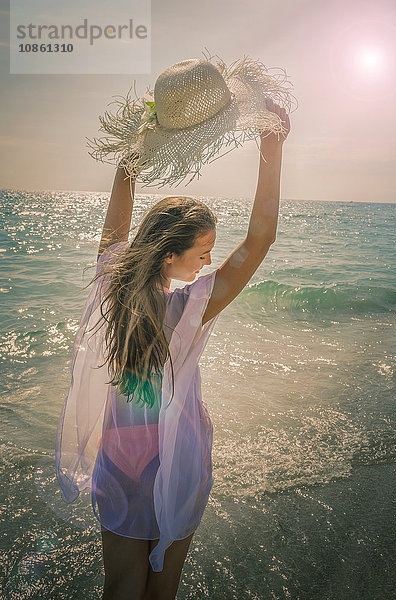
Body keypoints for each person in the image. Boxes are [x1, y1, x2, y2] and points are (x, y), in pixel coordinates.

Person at [89, 97, 290, 600]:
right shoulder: (192, 308)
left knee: (121, 584)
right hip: (178, 458)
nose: (206, 264)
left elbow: (118, 223)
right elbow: (260, 238)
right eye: (202, 254)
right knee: (163, 586)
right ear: (171, 253)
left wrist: (129, 155)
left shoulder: (113, 286)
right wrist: (272, 143)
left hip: (118, 461)